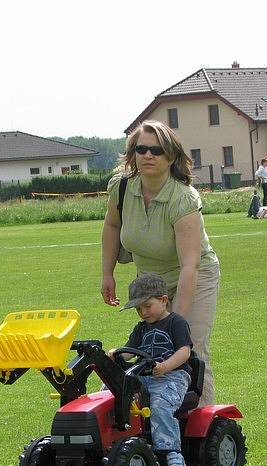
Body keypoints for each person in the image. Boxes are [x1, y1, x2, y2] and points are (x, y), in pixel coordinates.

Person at [101, 119, 219, 407]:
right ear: (133, 154)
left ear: (171, 156)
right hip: (150, 280)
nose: (148, 155)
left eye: (157, 150)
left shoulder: (183, 198)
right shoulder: (121, 187)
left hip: (194, 275)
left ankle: (203, 431)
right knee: (151, 348)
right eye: (141, 149)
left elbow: (190, 264)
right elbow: (112, 226)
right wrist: (107, 273)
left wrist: (174, 322)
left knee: (187, 348)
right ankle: (157, 424)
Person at [108, 274, 192, 466]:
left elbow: (184, 352)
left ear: (163, 300)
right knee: (112, 397)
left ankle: (173, 453)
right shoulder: (141, 328)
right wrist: (115, 354)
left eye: (147, 306)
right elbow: (129, 351)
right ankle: (116, 447)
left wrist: (165, 366)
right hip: (143, 378)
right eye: (138, 309)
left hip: (173, 377)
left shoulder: (176, 322)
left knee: (159, 405)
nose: (143, 312)